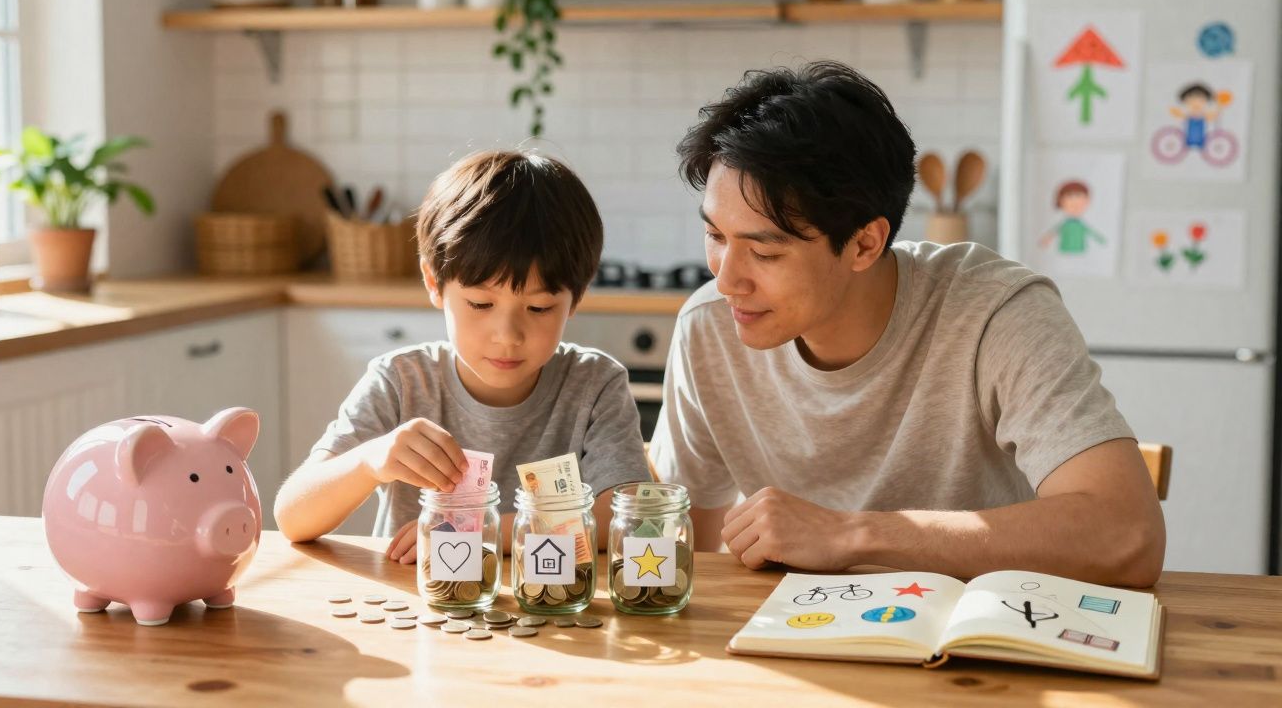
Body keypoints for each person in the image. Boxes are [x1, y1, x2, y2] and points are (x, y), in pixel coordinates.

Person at [651, 61, 1165, 586]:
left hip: (977, 637)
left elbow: (1127, 535)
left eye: (763, 251)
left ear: (865, 243)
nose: (727, 279)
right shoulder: (708, 328)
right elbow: (676, 545)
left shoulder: (995, 313)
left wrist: (854, 535)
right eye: (716, 236)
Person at [274, 150, 652, 562]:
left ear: (575, 298)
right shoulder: (401, 380)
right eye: (479, 305)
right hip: (421, 610)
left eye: (539, 308)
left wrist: (475, 532)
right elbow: (293, 517)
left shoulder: (595, 385)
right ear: (434, 283)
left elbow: (625, 515)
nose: (508, 337)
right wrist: (369, 461)